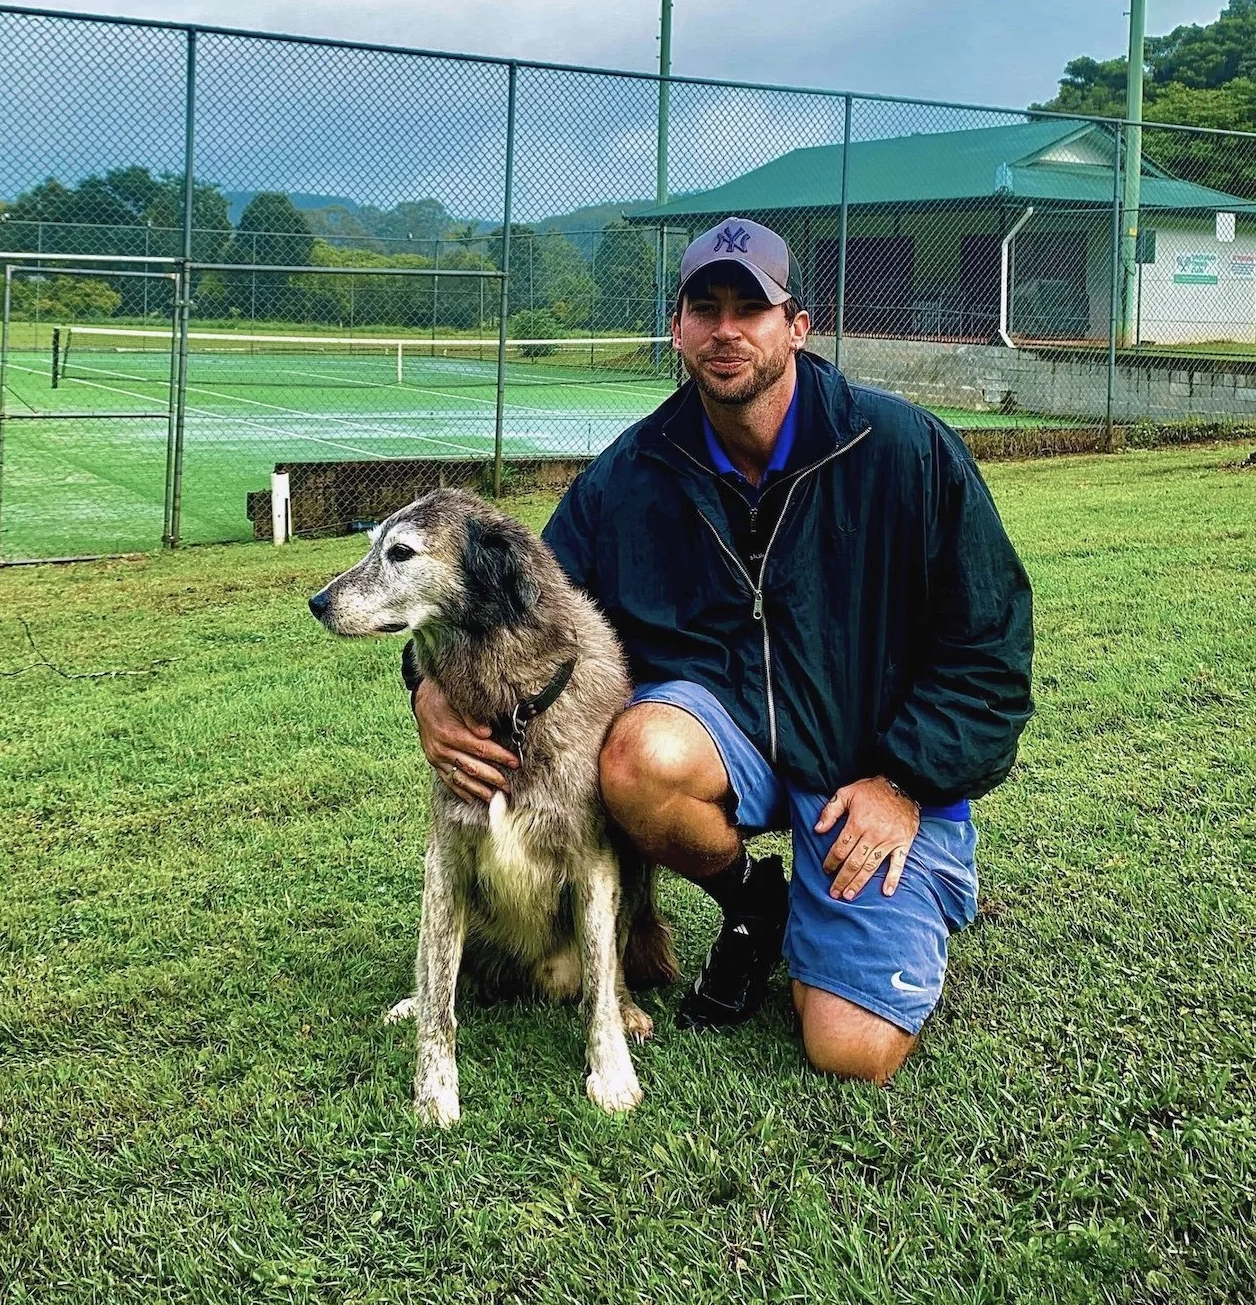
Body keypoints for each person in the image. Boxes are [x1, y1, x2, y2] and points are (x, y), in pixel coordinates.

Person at [411, 217, 1033, 1083]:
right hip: (723, 738)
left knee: (852, 1053)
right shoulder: (633, 472)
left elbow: (990, 647)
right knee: (635, 757)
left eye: (753, 308)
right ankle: (753, 904)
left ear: (798, 327)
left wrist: (905, 784)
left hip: (869, 765)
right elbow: (521, 603)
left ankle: (919, 890)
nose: (727, 330)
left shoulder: (903, 450)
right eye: (706, 308)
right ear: (678, 329)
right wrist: (427, 687)